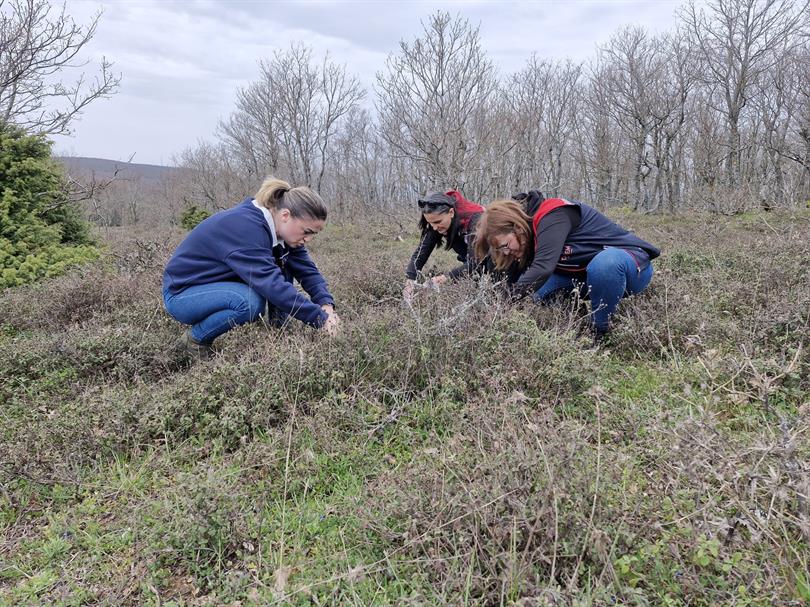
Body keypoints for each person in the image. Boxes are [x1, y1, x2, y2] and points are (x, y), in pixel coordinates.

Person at [163, 177, 339, 359]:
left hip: (216, 287)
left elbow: (308, 271)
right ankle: (194, 340)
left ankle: (279, 330)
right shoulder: (245, 228)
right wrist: (320, 320)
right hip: (182, 296)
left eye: (314, 234)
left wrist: (326, 305)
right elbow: (272, 285)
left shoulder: (282, 233)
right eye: (307, 231)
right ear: (285, 215)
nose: (308, 239)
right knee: (248, 302)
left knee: (284, 266)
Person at [474, 190, 660, 337]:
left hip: (631, 269)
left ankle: (600, 330)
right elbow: (511, 281)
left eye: (506, 245)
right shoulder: (526, 237)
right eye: (501, 249)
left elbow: (543, 268)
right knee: (537, 292)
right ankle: (578, 320)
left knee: (605, 265)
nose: (507, 252)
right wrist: (490, 310)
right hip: (584, 277)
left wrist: (507, 301)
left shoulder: (553, 214)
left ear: (517, 227)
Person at [404, 190, 485, 299]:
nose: (435, 227)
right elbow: (420, 254)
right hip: (469, 260)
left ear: (451, 212)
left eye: (438, 222)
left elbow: (476, 262)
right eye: (430, 223)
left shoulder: (475, 220)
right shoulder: (435, 221)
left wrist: (447, 278)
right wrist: (410, 280)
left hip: (494, 259)